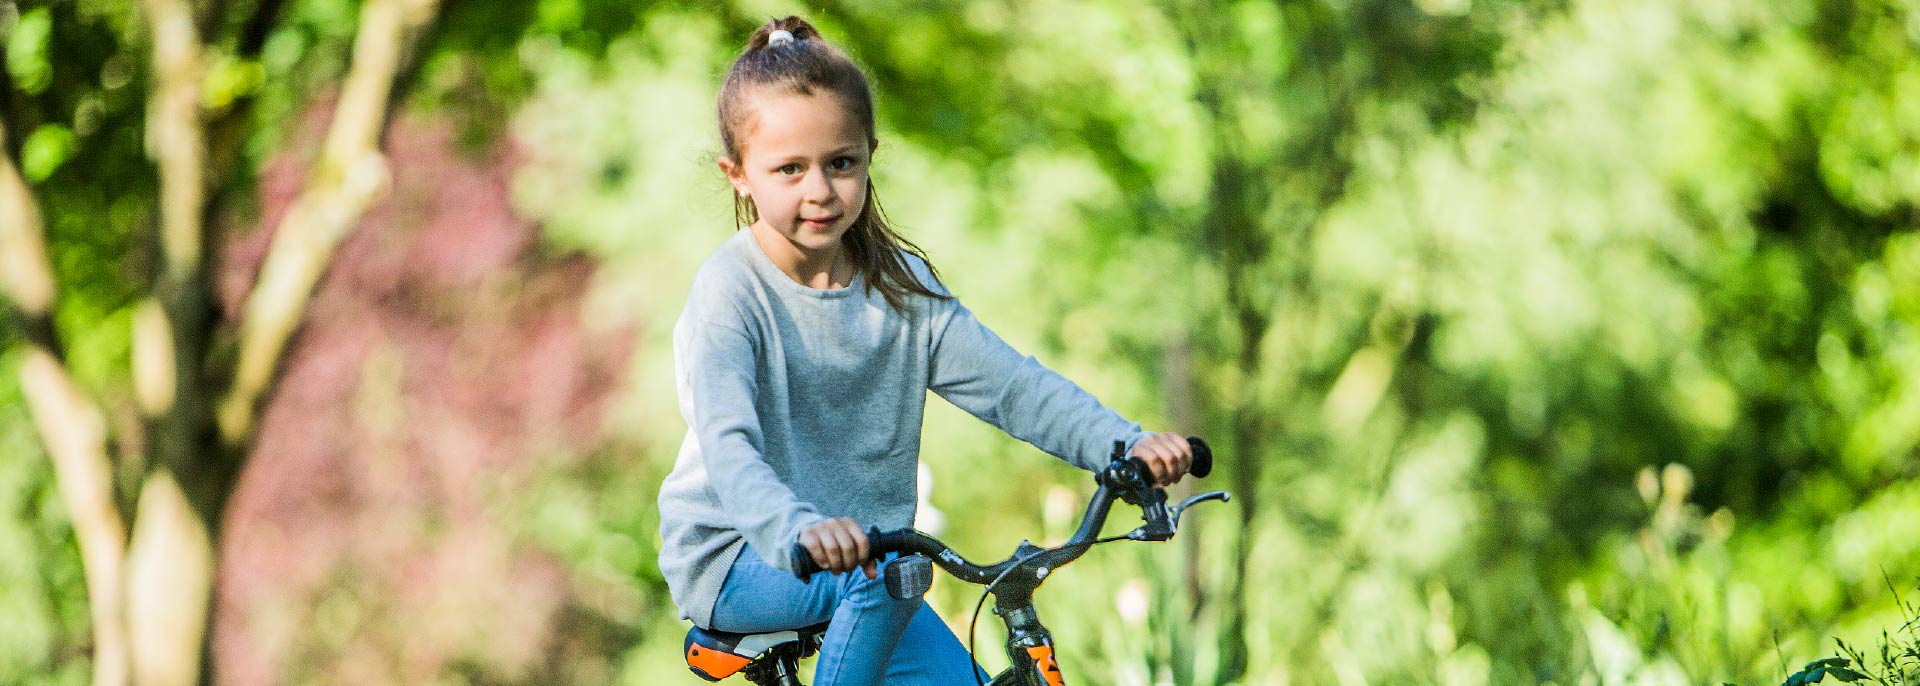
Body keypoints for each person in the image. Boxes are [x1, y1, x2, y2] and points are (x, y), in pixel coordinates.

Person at [656, 16, 1196, 686]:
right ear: (738, 175)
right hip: (743, 556)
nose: (819, 190)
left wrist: (1125, 444)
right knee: (882, 582)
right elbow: (729, 446)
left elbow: (1014, 389)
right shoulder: (731, 294)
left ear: (868, 156)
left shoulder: (901, 291)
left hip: (876, 571)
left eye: (840, 164)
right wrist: (799, 528)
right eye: (789, 169)